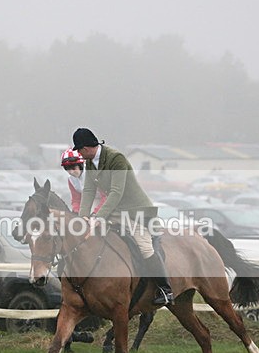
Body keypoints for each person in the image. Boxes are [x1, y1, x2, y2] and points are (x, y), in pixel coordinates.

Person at [72, 127, 174, 306]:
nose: (78, 154)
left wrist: (97, 218)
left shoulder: (116, 158)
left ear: (86, 148)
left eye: (79, 150)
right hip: (115, 211)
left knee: (145, 248)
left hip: (136, 211)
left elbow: (116, 192)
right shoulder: (90, 162)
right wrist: (83, 217)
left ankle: (165, 290)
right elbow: (88, 190)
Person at [60, 148, 106, 214]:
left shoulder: (94, 173)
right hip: (90, 202)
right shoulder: (71, 180)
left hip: (107, 201)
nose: (71, 172)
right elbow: (76, 199)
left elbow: (105, 197)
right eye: (67, 169)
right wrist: (76, 212)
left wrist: (95, 213)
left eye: (73, 168)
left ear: (80, 165)